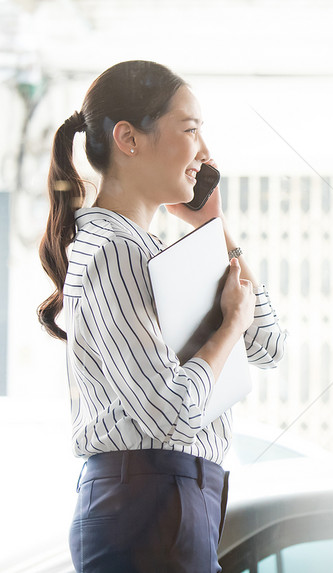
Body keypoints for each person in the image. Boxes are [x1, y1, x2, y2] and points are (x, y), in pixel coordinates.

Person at [37, 60, 287, 572]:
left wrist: (215, 227)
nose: (204, 153)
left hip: (176, 500)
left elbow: (269, 345)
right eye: (190, 130)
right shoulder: (115, 251)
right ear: (129, 138)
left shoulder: (157, 252)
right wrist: (228, 328)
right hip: (149, 504)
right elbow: (170, 411)